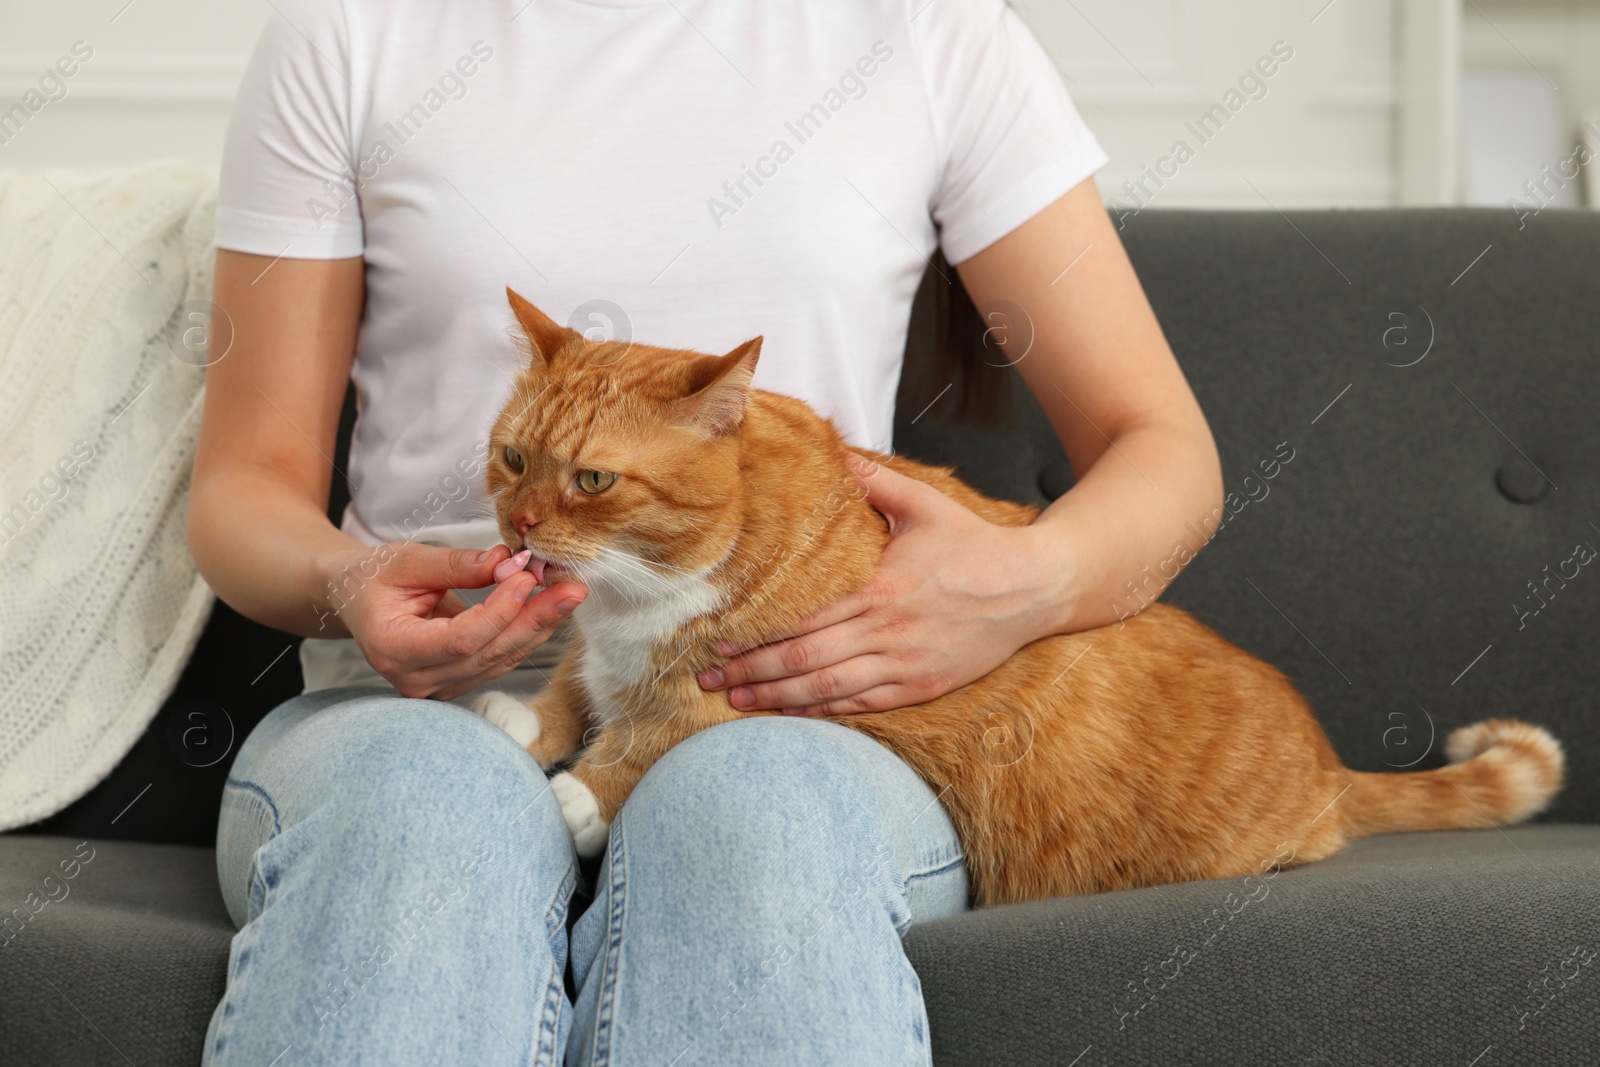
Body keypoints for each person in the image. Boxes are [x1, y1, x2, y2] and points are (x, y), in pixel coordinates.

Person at [187, 0, 1222, 1063]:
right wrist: (347, 579)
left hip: (796, 701)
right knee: (426, 811)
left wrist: (1020, 585)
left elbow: (1165, 452)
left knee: (758, 812)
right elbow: (242, 487)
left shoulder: (932, 31)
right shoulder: (351, 30)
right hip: (414, 707)